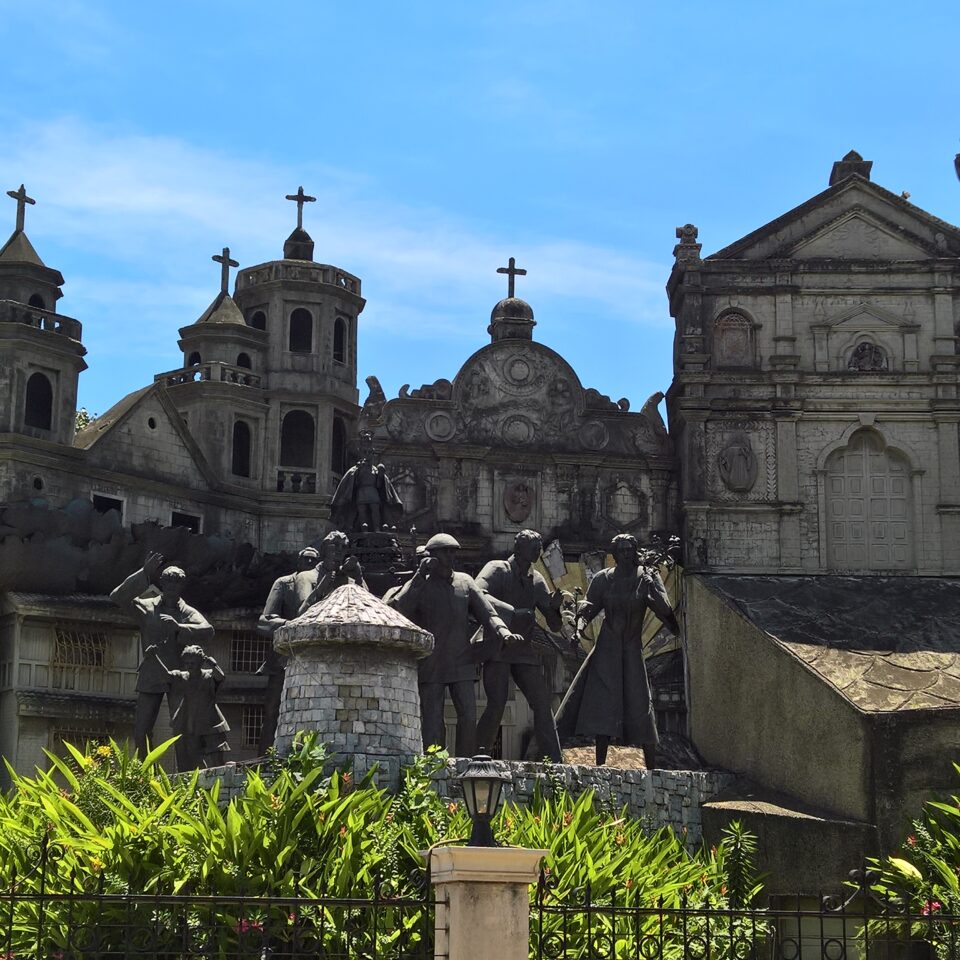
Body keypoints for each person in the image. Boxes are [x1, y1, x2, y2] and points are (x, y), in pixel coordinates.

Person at [387, 533, 522, 757]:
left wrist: (504, 632)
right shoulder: (421, 584)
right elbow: (400, 610)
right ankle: (433, 764)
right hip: (431, 662)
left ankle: (466, 763)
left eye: (453, 552)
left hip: (462, 660)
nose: (451, 556)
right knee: (432, 719)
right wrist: (420, 576)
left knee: (468, 715)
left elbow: (488, 613)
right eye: (445, 552)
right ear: (432, 556)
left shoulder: (465, 582)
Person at [555, 533, 679, 768]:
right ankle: (600, 764)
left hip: (632, 648)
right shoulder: (603, 579)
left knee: (640, 701)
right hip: (608, 648)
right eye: (621, 551)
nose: (625, 555)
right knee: (605, 703)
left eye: (629, 550)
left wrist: (653, 586)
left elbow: (665, 609)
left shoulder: (646, 577)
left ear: (635, 552)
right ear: (614, 554)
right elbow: (588, 610)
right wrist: (578, 631)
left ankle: (651, 767)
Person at [110, 552, 214, 757]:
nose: (173, 588)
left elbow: (208, 630)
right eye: (169, 584)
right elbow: (117, 596)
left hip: (180, 675)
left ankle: (186, 774)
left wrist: (180, 627)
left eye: (177, 585)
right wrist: (144, 574)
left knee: (183, 728)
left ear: (182, 587)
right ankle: (144, 776)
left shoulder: (187, 612)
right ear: (162, 584)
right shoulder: (146, 607)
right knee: (142, 730)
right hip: (152, 672)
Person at [474, 530, 565, 762]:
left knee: (542, 704)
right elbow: (477, 594)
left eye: (539, 547)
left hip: (523, 651)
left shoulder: (537, 580)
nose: (538, 551)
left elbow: (554, 625)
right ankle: (478, 757)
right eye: (533, 547)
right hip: (498, 647)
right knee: (497, 704)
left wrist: (555, 608)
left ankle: (555, 762)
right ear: (519, 548)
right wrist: (512, 613)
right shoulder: (497, 569)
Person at [256, 545, 323, 754]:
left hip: (316, 662)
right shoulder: (284, 583)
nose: (309, 564)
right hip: (283, 661)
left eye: (314, 561)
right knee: (273, 713)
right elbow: (264, 622)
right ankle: (265, 761)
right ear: (298, 562)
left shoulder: (325, 585)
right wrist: (293, 626)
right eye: (306, 560)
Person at [147, 643, 229, 770]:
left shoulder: (208, 675)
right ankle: (198, 783)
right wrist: (154, 657)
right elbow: (166, 676)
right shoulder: (182, 676)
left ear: (200, 662)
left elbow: (221, 677)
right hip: (190, 722)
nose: (189, 666)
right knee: (193, 758)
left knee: (217, 758)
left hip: (211, 721)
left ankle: (219, 783)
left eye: (193, 663)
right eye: (187, 663)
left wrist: (213, 664)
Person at [329, 431, 403, 531]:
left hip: (373, 493)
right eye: (365, 452)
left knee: (375, 511)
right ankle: (363, 528)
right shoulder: (354, 471)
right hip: (361, 493)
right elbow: (353, 486)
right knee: (362, 512)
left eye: (369, 453)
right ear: (360, 453)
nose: (367, 455)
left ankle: (377, 528)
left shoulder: (376, 470)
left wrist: (380, 475)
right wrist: (358, 472)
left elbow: (379, 486)